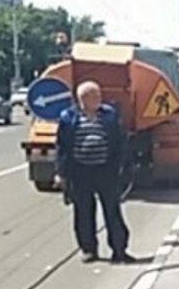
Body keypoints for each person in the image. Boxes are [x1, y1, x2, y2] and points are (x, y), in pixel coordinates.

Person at [55, 81, 135, 264]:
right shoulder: (68, 117)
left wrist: (122, 165)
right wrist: (61, 173)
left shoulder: (109, 115)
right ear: (82, 99)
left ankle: (119, 250)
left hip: (106, 170)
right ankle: (89, 249)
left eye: (99, 95)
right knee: (83, 211)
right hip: (80, 171)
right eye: (94, 96)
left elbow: (118, 141)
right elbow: (62, 147)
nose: (99, 99)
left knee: (112, 210)